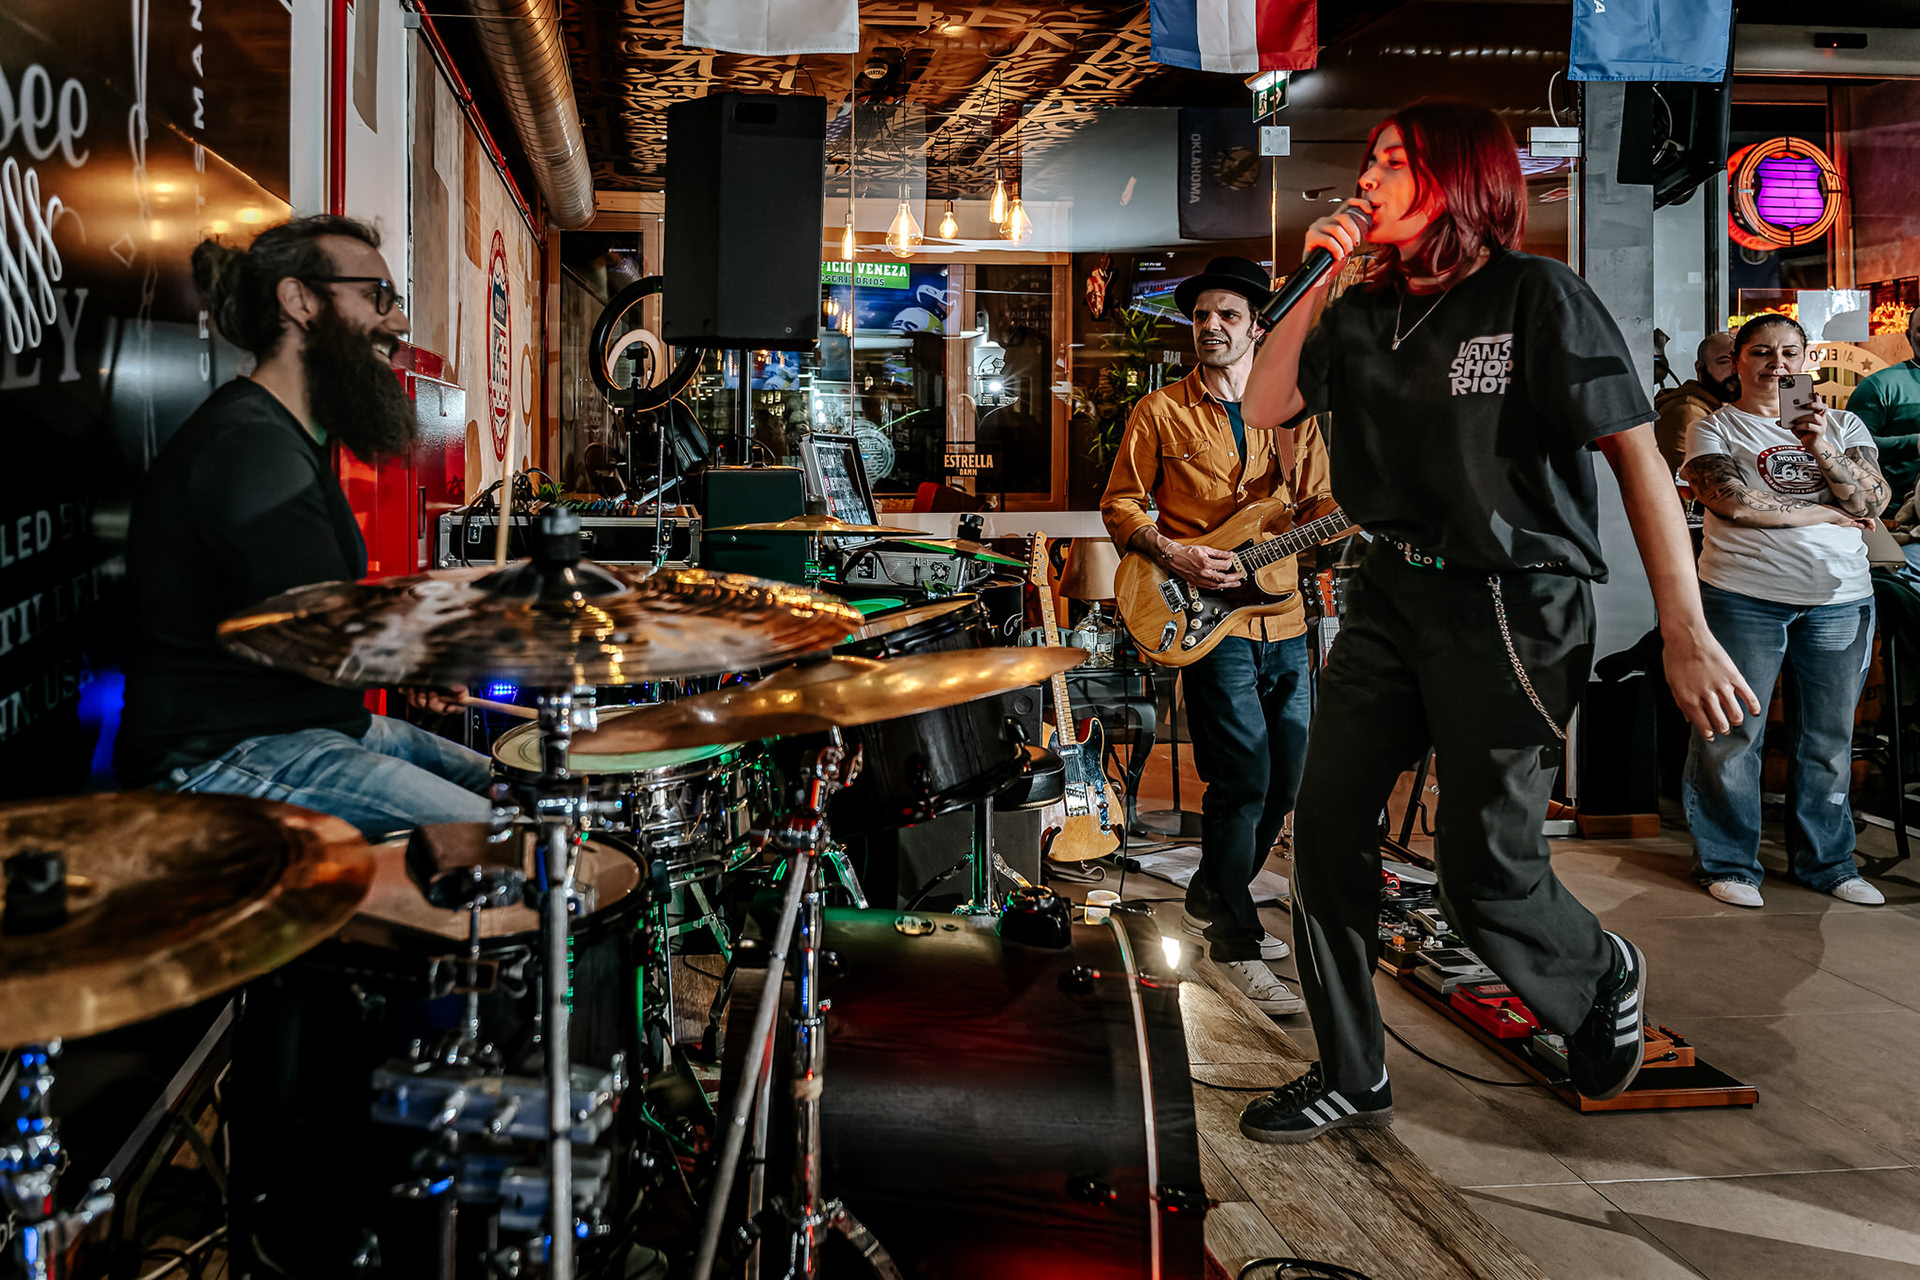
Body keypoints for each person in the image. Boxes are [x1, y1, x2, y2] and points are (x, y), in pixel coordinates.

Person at [1232, 102, 1756, 1142]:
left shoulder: (1535, 295)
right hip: (1390, 593)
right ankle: (1351, 1072)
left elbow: (1639, 459)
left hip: (1515, 602)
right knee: (1323, 834)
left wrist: (1686, 629)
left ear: (1459, 177)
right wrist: (1316, 277)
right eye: (1369, 160)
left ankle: (1597, 974)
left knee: (1482, 872)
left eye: (1392, 161)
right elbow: (1263, 404)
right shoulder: (1359, 308)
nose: (1368, 178)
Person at [119, 215, 493, 840]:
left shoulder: (291, 436)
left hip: (312, 729)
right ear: (300, 301)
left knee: (516, 786)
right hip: (218, 757)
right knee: (508, 841)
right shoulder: (249, 446)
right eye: (377, 297)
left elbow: (313, 619)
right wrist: (429, 655)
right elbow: (325, 630)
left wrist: (415, 667)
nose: (399, 322)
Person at [1101, 256, 1333, 1018]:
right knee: (1242, 779)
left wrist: (1340, 525)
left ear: (1258, 327)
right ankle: (1236, 943)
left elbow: (1321, 508)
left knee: (1286, 780)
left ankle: (1210, 893)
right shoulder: (1160, 412)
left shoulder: (1292, 417)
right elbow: (1121, 504)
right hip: (1207, 623)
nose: (1211, 327)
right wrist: (1173, 553)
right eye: (1202, 315)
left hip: (1285, 620)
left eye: (1228, 315)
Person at [1678, 315, 1889, 908]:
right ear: (1737, 361)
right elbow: (1733, 502)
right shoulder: (1713, 427)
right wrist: (1824, 513)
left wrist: (1820, 445)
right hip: (1743, 595)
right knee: (1731, 733)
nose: (1777, 364)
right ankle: (1728, 864)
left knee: (1828, 738)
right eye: (1762, 352)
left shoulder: (1842, 425)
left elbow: (1873, 499)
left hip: (1840, 600)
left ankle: (1828, 864)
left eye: (1790, 353)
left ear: (1805, 361)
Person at [1848, 306, 1920, 513]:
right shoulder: (1879, 386)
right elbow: (1851, 448)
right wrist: (1916, 443)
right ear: (1908, 336)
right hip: (1895, 512)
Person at [1654, 332, 1736, 479]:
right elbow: (1697, 482)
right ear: (1700, 369)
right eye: (1724, 362)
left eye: (1740, 362)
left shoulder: (1728, 408)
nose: (1735, 370)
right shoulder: (1687, 412)